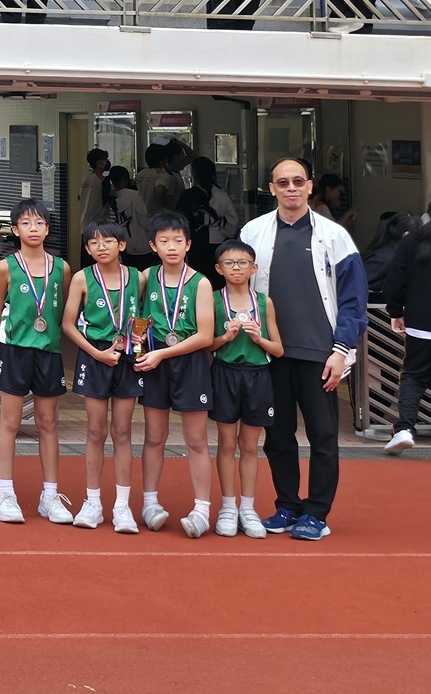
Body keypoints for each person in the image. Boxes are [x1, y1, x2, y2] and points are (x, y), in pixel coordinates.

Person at [244, 158, 368, 541]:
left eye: (298, 181)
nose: (291, 188)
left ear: (310, 186)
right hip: (271, 352)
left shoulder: (334, 236)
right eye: (283, 183)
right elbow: (238, 288)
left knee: (323, 436)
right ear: (272, 188)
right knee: (277, 436)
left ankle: (316, 513)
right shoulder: (253, 232)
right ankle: (287, 506)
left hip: (320, 353)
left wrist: (341, 350)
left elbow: (353, 299)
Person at [132, 211, 218, 536]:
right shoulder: (146, 277)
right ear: (153, 245)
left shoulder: (201, 282)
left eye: (178, 241)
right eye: (164, 241)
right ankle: (149, 503)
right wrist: (138, 338)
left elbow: (205, 336)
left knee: (196, 440)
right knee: (154, 437)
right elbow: (137, 316)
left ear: (188, 245)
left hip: (188, 362)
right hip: (154, 361)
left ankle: (202, 510)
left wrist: (161, 354)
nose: (171, 247)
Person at [0, 199, 69, 525]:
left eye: (39, 223)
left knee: (47, 423)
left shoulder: (61, 268)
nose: (33, 228)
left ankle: (50, 495)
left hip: (48, 351)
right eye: (26, 223)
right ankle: (6, 493)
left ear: (48, 229)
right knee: (9, 422)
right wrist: (13, 336)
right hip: (14, 351)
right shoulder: (5, 267)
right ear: (15, 229)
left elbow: (62, 309)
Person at [63, 220, 144, 531]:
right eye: (94, 243)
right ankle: (93, 502)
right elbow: (68, 324)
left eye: (108, 241)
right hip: (95, 355)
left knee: (122, 432)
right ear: (87, 249)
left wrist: (140, 337)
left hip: (126, 356)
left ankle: (122, 506)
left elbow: (143, 318)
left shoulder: (137, 277)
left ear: (122, 245)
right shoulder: (82, 278)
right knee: (95, 431)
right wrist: (95, 354)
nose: (101, 247)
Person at [210, 238, 284, 537]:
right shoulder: (213, 300)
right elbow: (205, 344)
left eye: (242, 263)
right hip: (224, 373)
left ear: (254, 268)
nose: (236, 268)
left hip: (258, 375)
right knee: (227, 443)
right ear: (219, 268)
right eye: (229, 263)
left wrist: (258, 338)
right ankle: (228, 507)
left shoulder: (264, 302)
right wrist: (224, 338)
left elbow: (278, 349)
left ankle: (248, 507)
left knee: (250, 445)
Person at [382, 220, 431, 464]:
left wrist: (395, 311)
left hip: (419, 326)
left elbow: (394, 279)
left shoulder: (411, 241)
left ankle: (404, 429)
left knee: (413, 377)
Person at [178, 156, 243, 276]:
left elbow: (180, 221)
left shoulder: (187, 196)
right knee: (217, 276)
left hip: (195, 243)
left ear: (195, 174)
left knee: (197, 277)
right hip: (218, 243)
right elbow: (233, 223)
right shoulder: (221, 195)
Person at [77, 149, 112, 229]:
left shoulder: (85, 178)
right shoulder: (103, 181)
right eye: (104, 159)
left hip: (84, 223)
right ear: (99, 163)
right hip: (99, 224)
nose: (106, 162)